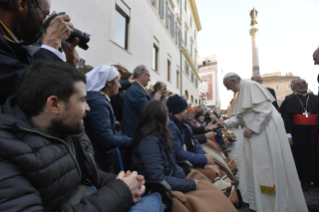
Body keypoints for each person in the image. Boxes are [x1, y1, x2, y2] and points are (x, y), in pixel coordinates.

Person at [0, 61, 164, 211]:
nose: (88, 108)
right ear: (55, 105)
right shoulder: (6, 151)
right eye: (82, 100)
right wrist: (120, 191)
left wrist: (127, 183)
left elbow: (93, 176)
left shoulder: (70, 131)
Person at [220, 72, 307, 212]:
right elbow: (243, 117)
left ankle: (273, 205)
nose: (227, 89)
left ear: (234, 81)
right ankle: (262, 203)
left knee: (269, 166)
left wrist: (252, 128)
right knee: (255, 165)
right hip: (260, 129)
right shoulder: (243, 89)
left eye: (227, 86)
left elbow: (265, 111)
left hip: (265, 130)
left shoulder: (249, 86)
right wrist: (222, 122)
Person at [131, 100, 238, 212]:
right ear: (159, 119)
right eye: (167, 115)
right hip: (161, 189)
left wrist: (187, 178)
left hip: (172, 181)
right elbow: (158, 177)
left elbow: (172, 164)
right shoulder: (149, 142)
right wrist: (188, 183)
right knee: (209, 196)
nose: (169, 118)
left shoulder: (160, 136)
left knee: (209, 189)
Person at [0, 0, 80, 105]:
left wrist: (69, 64)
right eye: (45, 14)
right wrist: (51, 42)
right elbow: (28, 92)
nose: (45, 22)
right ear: (22, 5)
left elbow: (51, 89)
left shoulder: (17, 41)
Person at [84, 65, 132, 172]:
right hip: (100, 161)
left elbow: (109, 131)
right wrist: (132, 142)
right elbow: (106, 139)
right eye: (117, 81)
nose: (119, 86)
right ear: (108, 82)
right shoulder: (98, 103)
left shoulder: (98, 99)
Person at [279, 79, 319, 190]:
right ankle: (304, 181)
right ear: (293, 88)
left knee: (316, 154)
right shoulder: (288, 100)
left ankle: (316, 180)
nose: (302, 85)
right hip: (298, 133)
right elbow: (286, 120)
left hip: (315, 132)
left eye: (304, 83)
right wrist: (288, 135)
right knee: (302, 157)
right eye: (298, 84)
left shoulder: (315, 98)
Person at [122, 65, 161, 137]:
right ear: (140, 74)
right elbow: (146, 111)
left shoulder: (138, 89)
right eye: (148, 75)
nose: (149, 79)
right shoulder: (135, 90)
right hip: (134, 134)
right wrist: (155, 100)